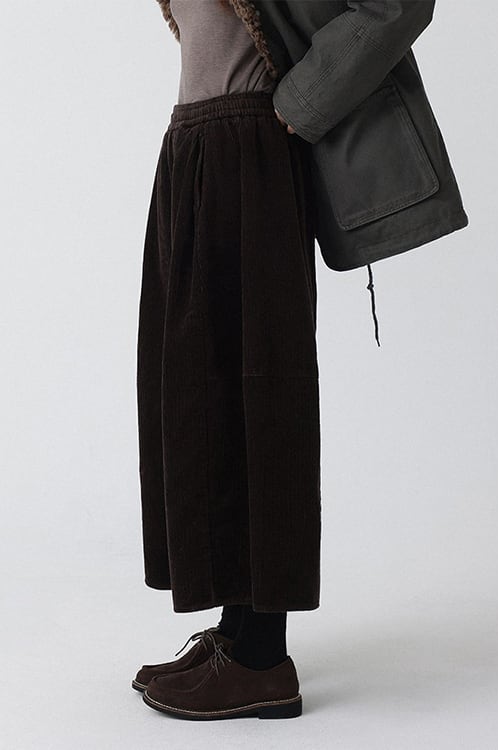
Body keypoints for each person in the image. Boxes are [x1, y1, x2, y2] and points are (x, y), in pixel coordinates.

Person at [133, 0, 319, 720]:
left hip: (250, 143)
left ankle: (264, 659)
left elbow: (399, 9)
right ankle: (237, 630)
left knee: (261, 387)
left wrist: (305, 103)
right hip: (192, 145)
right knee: (199, 391)